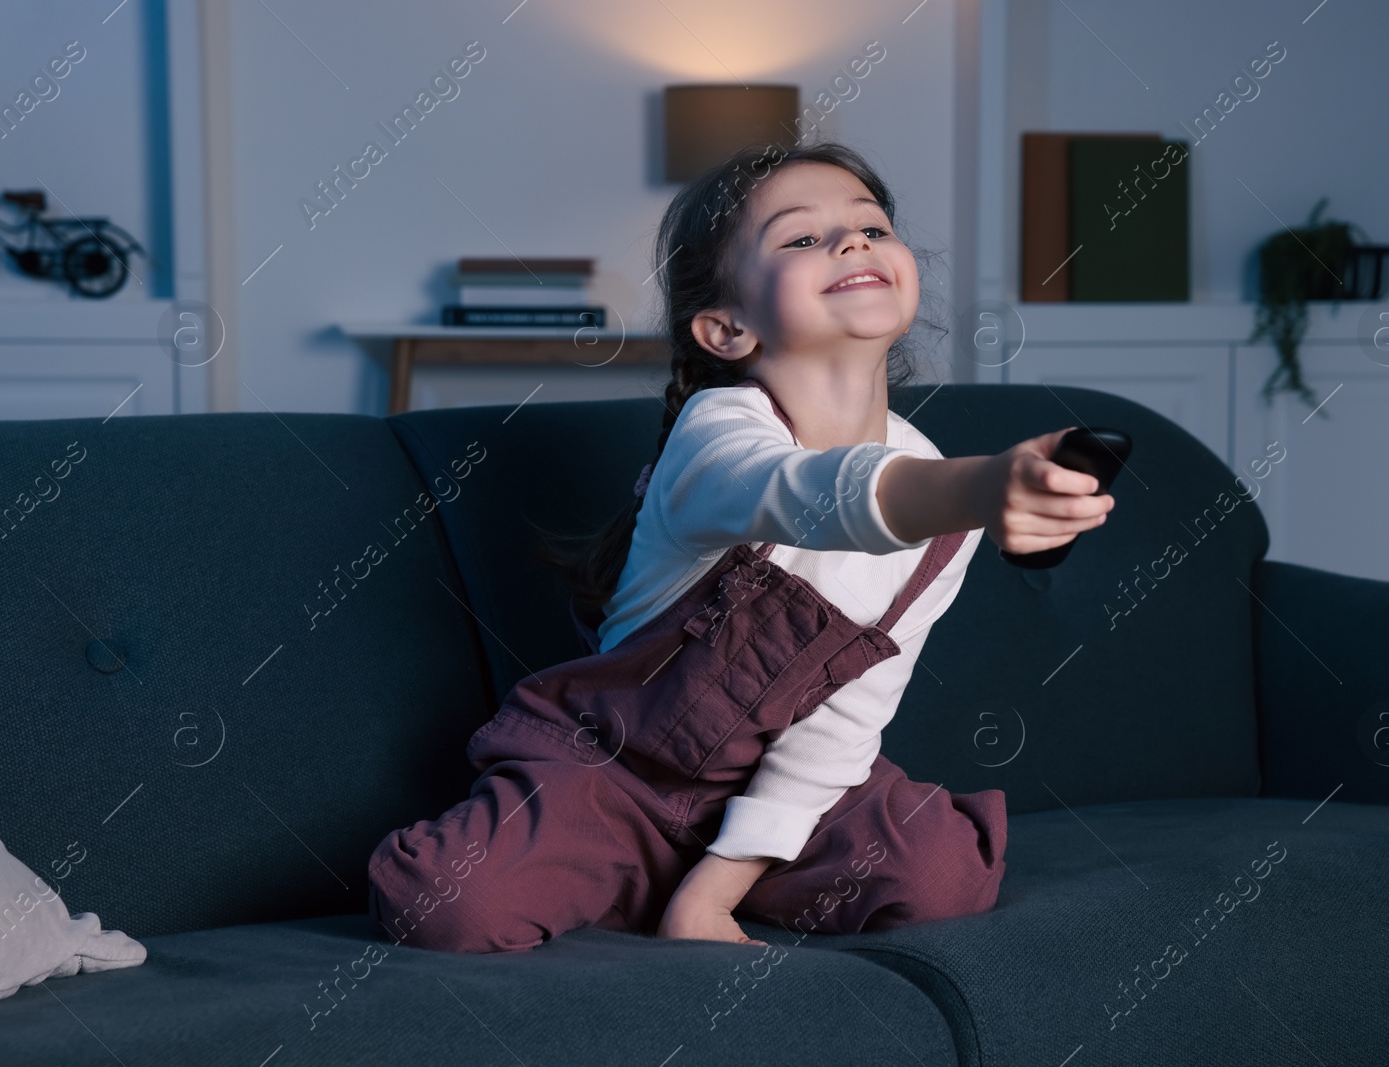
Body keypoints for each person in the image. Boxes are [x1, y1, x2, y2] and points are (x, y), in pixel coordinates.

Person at [365, 140, 1115, 954]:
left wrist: (714, 889)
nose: (852, 242)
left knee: (941, 875)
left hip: (773, 798)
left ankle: (671, 882)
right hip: (611, 774)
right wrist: (979, 488)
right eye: (802, 238)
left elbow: (844, 721)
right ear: (726, 328)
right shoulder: (717, 435)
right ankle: (603, 860)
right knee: (442, 905)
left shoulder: (941, 490)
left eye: (871, 226)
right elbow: (807, 495)